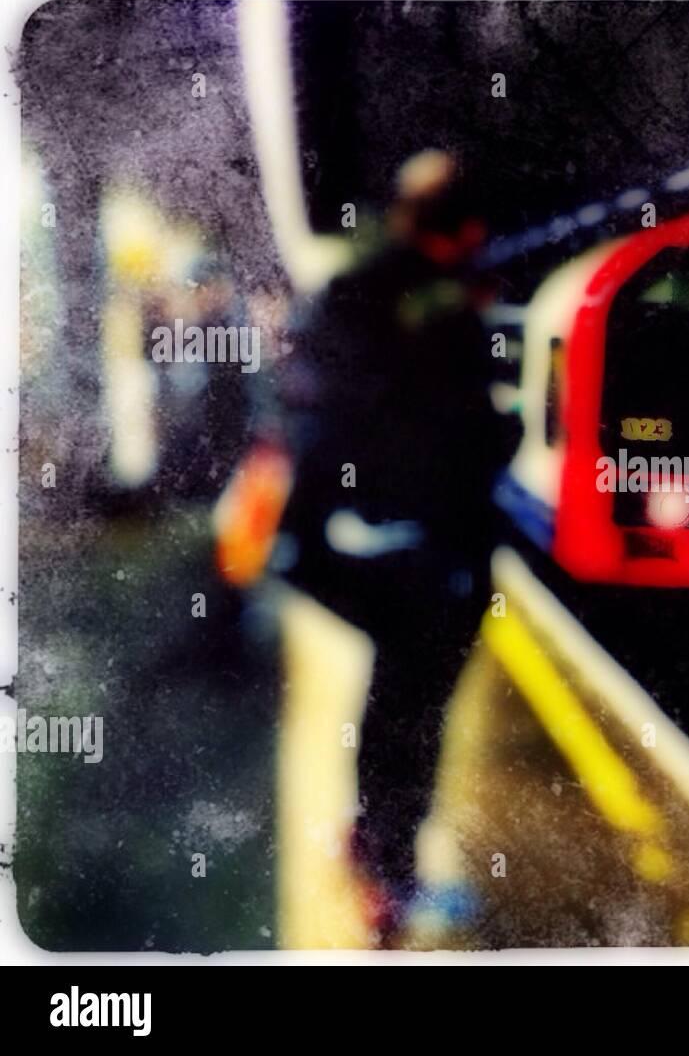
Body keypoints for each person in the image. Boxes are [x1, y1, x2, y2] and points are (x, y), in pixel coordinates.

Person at [275, 150, 501, 941]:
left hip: (385, 543)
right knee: (413, 713)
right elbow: (442, 430)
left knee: (398, 706)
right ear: (465, 227)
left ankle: (373, 845)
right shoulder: (414, 299)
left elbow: (326, 417)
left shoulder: (365, 290)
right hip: (417, 551)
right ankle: (390, 881)